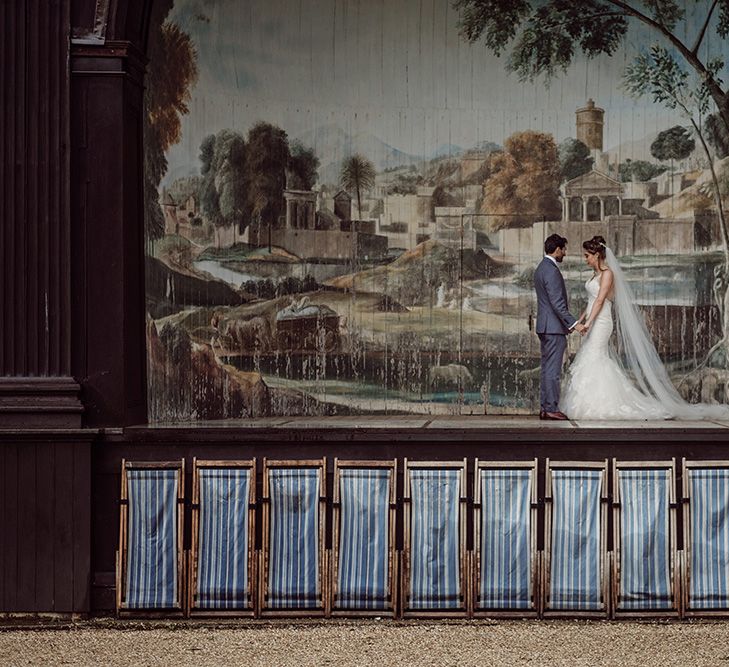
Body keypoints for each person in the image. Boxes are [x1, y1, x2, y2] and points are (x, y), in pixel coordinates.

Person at [560, 235, 729, 420]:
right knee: (593, 356)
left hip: (602, 321)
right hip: (593, 319)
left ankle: (603, 403)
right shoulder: (595, 275)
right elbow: (590, 302)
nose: (585, 259)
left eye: (587, 255)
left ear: (597, 254)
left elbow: (600, 301)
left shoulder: (608, 274)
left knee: (596, 356)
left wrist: (589, 323)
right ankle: (590, 402)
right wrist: (579, 321)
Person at [534, 234, 587, 420]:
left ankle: (545, 407)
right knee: (553, 370)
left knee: (547, 369)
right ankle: (550, 408)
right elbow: (557, 303)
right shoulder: (551, 271)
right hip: (553, 328)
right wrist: (575, 324)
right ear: (557, 250)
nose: (565, 253)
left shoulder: (541, 268)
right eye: (563, 249)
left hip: (545, 326)